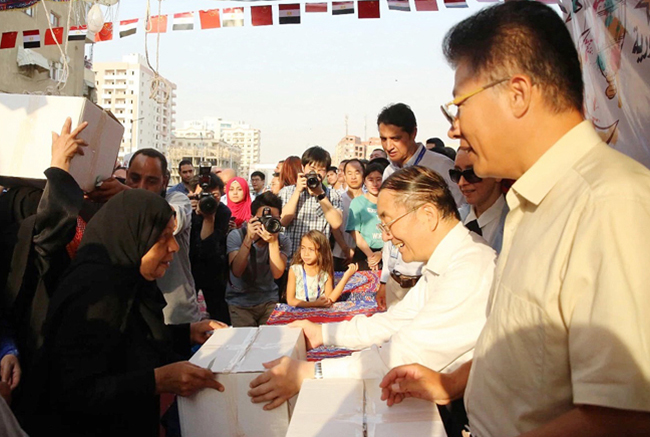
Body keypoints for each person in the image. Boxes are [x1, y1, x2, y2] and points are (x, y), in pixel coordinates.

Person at [379, 2, 650, 436]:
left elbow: (624, 416)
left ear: (517, 94)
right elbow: (524, 348)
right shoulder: (531, 203)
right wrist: (453, 383)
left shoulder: (610, 205)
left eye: (459, 107)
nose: (453, 129)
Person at [247, 166, 495, 413]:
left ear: (427, 215)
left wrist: (311, 372)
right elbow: (396, 320)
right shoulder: (449, 260)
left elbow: (402, 354)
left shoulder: (469, 269)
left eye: (388, 223)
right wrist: (323, 333)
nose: (385, 237)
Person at [14, 189, 226, 437]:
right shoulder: (93, 294)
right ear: (134, 237)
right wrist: (156, 381)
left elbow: (134, 342)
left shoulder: (131, 284)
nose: (174, 246)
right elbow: (74, 391)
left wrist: (187, 333)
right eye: (163, 237)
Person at [126, 149, 201, 325]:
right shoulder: (119, 205)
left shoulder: (177, 199)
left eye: (151, 181)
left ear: (164, 181)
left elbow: (169, 218)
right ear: (127, 175)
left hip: (177, 314)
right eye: (135, 179)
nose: (141, 187)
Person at [226, 192, 291, 327]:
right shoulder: (237, 235)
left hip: (268, 300)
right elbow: (237, 271)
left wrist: (273, 242)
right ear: (252, 218)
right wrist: (248, 239)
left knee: (268, 338)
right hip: (240, 302)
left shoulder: (282, 240)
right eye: (265, 218)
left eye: (274, 219)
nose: (269, 222)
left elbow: (277, 273)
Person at [279, 146, 343, 259]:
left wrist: (320, 194)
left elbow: (336, 223)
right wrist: (297, 191)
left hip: (318, 259)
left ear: (326, 172)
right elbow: (283, 221)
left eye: (321, 170)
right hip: (291, 258)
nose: (316, 173)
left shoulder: (333, 195)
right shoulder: (287, 192)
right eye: (312, 168)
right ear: (303, 168)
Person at [189, 173, 232, 324]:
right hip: (189, 266)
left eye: (214, 195)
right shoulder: (186, 209)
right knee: (185, 311)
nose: (209, 200)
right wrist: (187, 209)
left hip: (214, 266)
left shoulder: (223, 212)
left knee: (219, 312)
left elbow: (208, 247)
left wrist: (209, 218)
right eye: (204, 195)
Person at [452, 149, 507, 253]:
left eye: (471, 173)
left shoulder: (517, 224)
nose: (461, 182)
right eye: (456, 174)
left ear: (497, 174)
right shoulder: (453, 220)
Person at [286, 230, 357, 308]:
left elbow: (330, 299)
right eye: (303, 248)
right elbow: (291, 300)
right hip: (299, 312)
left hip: (319, 312)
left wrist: (345, 277)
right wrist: (314, 304)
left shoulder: (325, 273)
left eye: (311, 249)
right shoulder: (295, 270)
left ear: (321, 251)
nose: (306, 253)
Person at [346, 162, 385, 271]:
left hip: (386, 252)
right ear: (364, 181)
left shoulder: (390, 202)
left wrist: (382, 253)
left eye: (379, 179)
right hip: (363, 254)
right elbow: (354, 232)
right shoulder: (357, 202)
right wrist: (371, 256)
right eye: (370, 179)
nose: (375, 184)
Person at [332, 159, 365, 271]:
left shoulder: (370, 200)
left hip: (364, 256)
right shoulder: (338, 199)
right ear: (345, 176)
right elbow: (335, 228)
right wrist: (346, 249)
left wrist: (357, 251)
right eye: (349, 173)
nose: (353, 177)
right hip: (340, 255)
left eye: (357, 172)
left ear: (363, 175)